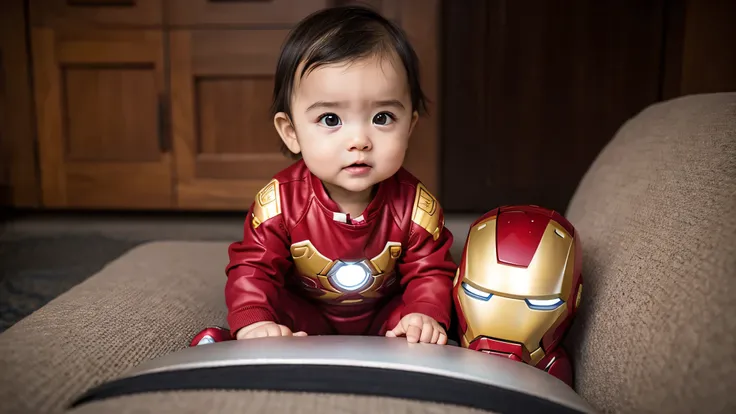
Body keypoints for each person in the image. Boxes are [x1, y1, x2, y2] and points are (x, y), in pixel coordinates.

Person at [225, 5, 457, 345]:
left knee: (419, 321)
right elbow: (253, 268)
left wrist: (425, 311)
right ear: (291, 131)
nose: (359, 141)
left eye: (382, 117)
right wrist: (253, 319)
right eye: (331, 120)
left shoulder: (416, 207)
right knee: (270, 312)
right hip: (306, 315)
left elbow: (431, 270)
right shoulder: (279, 204)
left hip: (384, 317)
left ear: (410, 126)